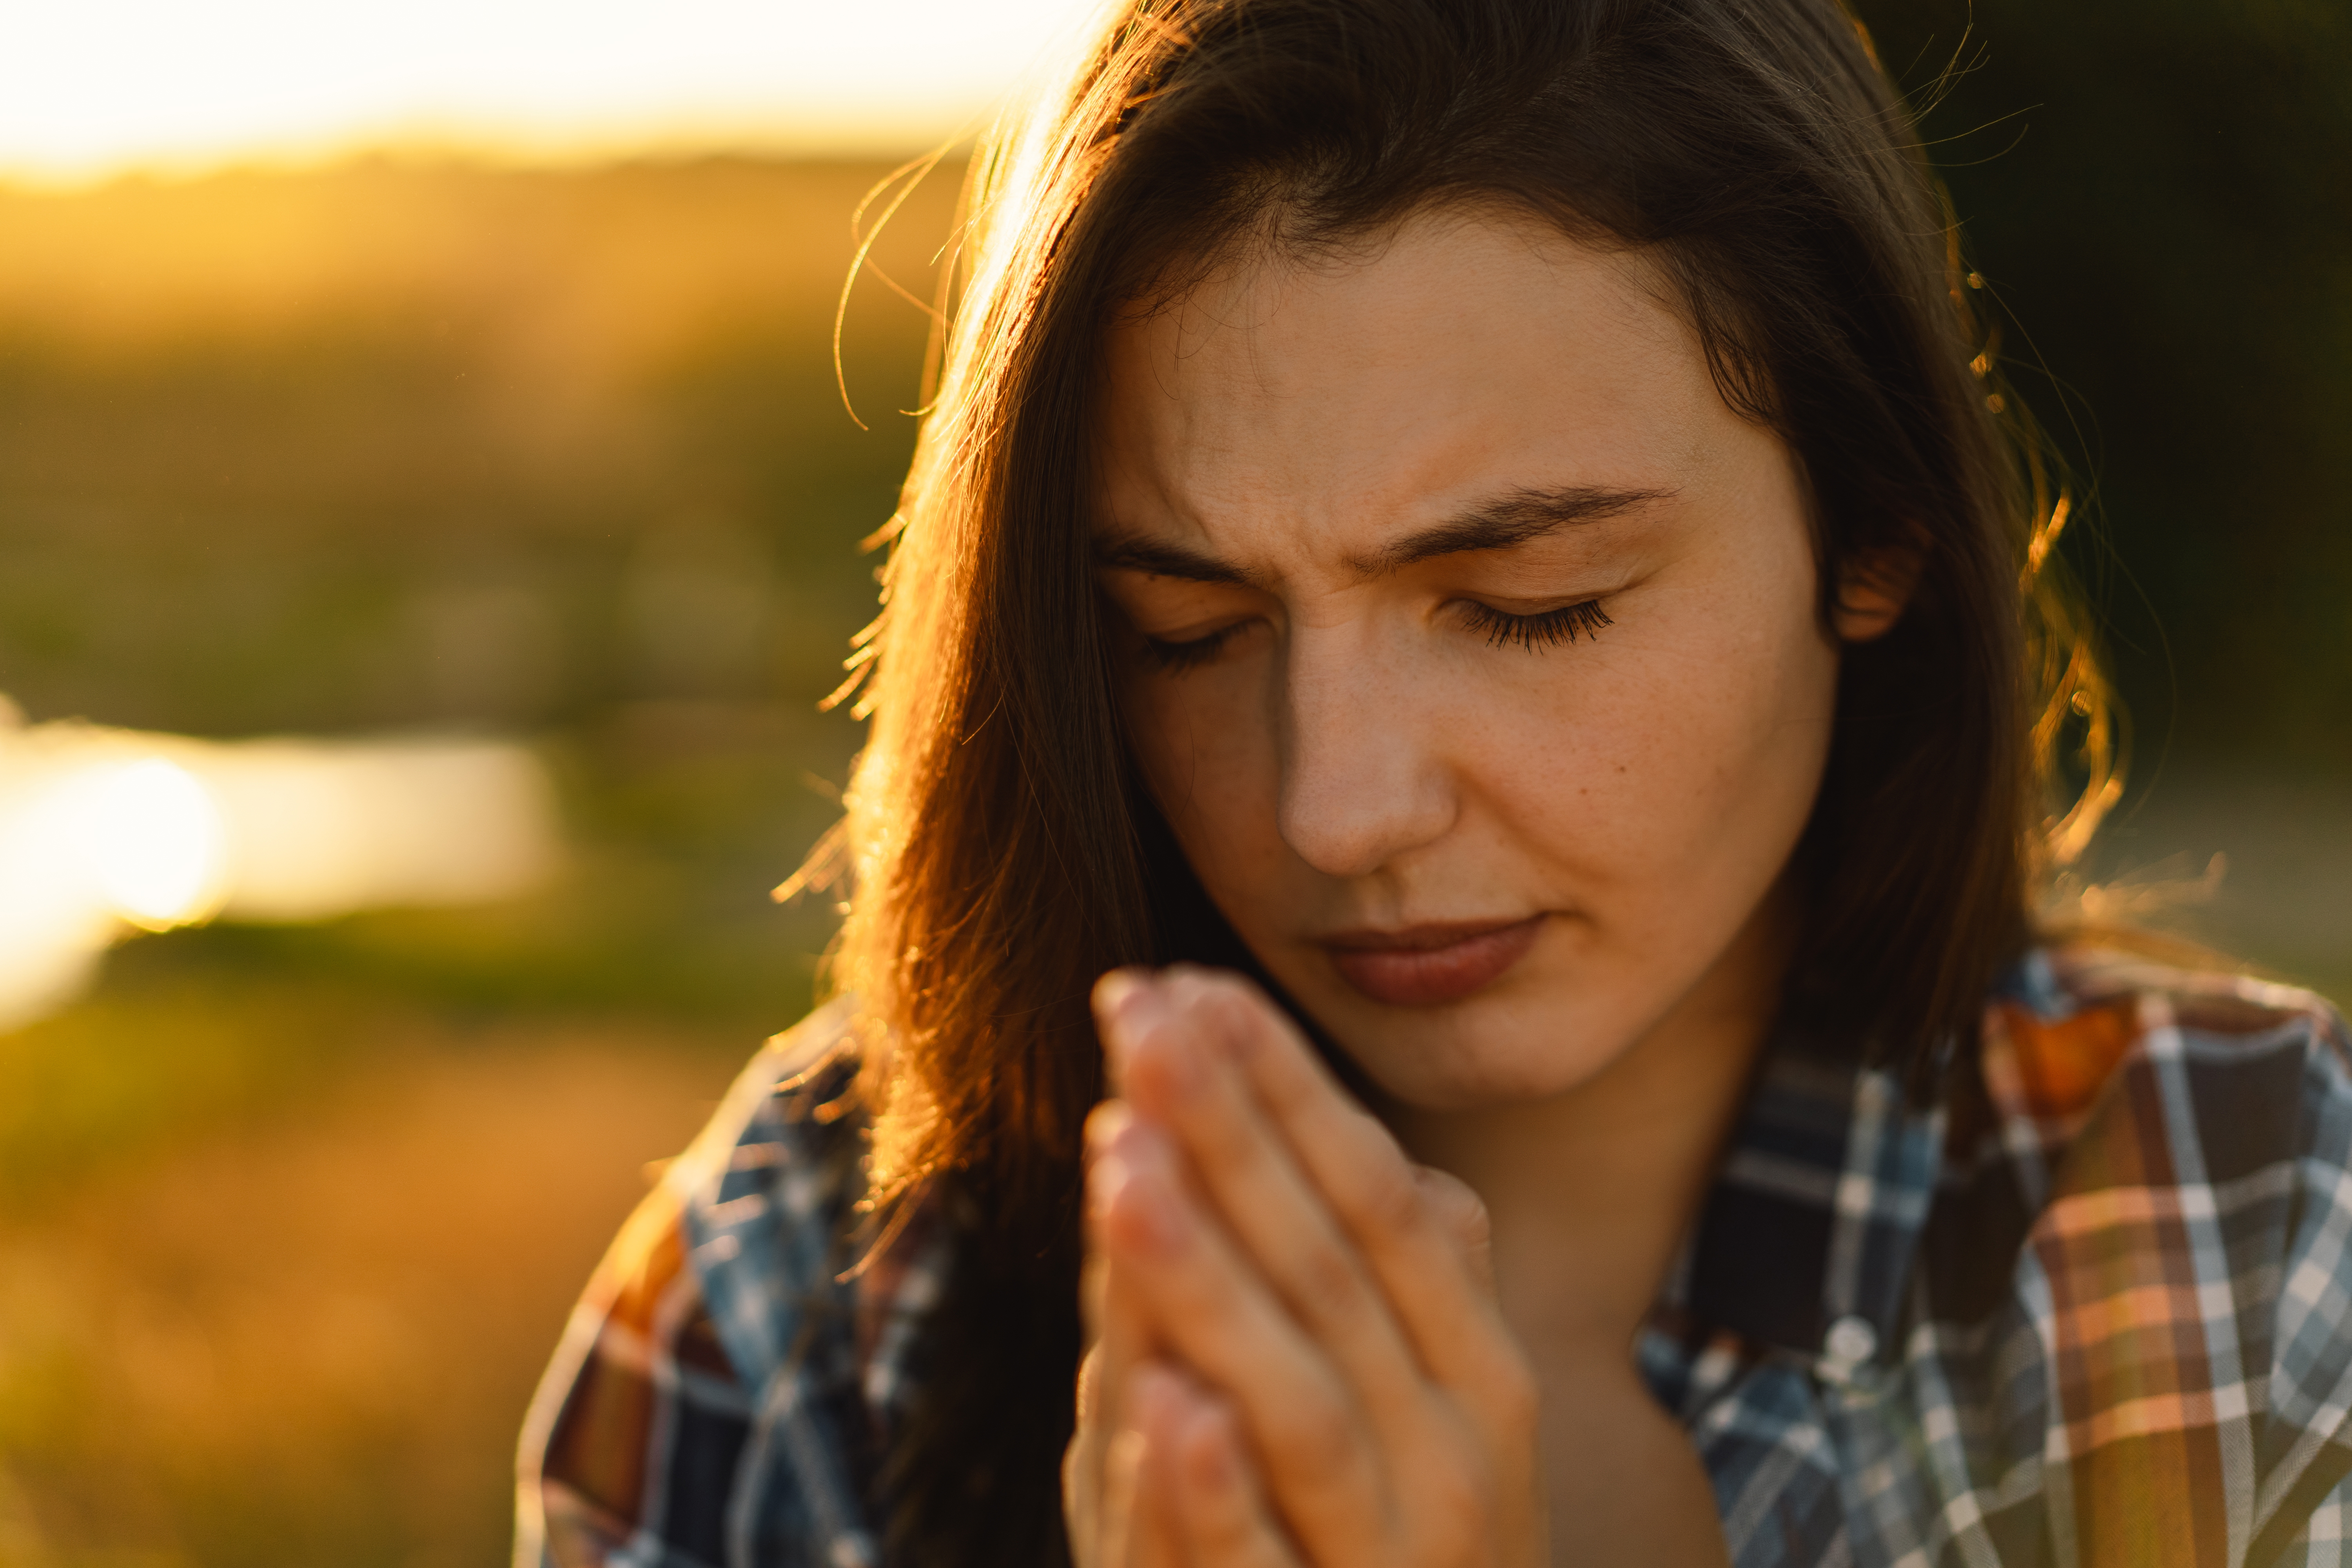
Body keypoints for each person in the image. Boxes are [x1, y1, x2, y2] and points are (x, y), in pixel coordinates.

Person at [512, 0, 2352, 1562]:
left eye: (1528, 608)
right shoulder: (799, 1305)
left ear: (1870, 531)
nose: (1338, 809)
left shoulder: (2257, 1250)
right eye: (1186, 629)